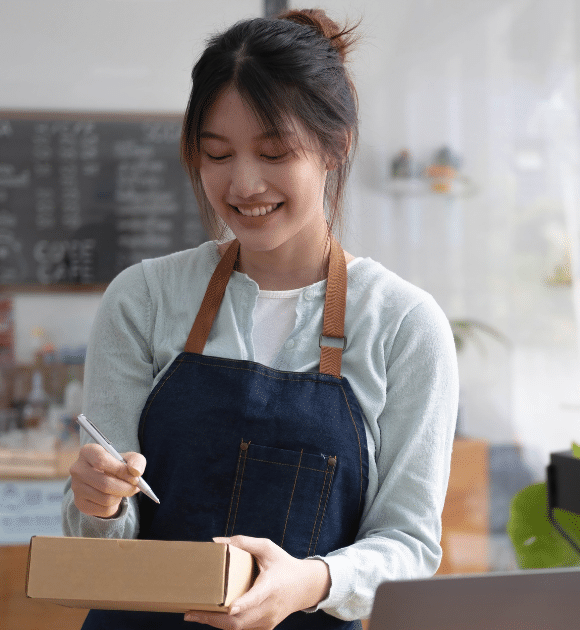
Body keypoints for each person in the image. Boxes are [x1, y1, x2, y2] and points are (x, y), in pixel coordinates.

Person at [61, 10, 459, 630]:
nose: (243, 184)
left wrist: (310, 580)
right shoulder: (142, 299)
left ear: (336, 144)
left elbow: (409, 547)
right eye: (217, 155)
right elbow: (99, 541)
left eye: (273, 153)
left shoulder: (405, 326)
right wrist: (100, 503)